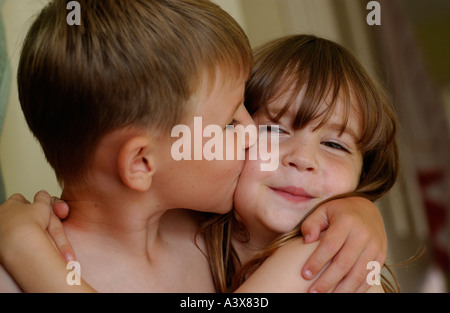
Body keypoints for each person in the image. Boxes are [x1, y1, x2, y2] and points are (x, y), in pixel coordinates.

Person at [0, 0, 386, 293]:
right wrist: (21, 250)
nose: (254, 136)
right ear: (142, 163)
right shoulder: (17, 272)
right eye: (231, 123)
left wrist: (356, 210)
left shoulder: (210, 235)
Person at [202, 35, 400, 293]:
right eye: (274, 130)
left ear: (362, 175)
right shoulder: (183, 235)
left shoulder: (335, 274)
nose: (303, 158)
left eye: (334, 145)